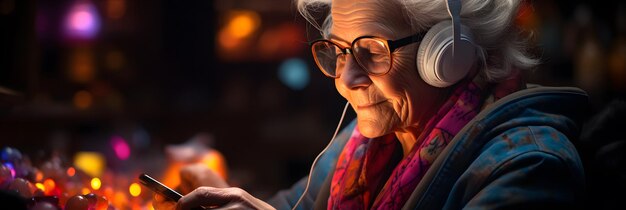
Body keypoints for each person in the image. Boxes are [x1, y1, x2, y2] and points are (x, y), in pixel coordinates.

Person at [154, 0, 588, 209]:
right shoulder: (363, 147)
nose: (345, 77)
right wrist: (223, 191)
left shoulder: (529, 166)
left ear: (448, 54)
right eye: (339, 50)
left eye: (372, 49)